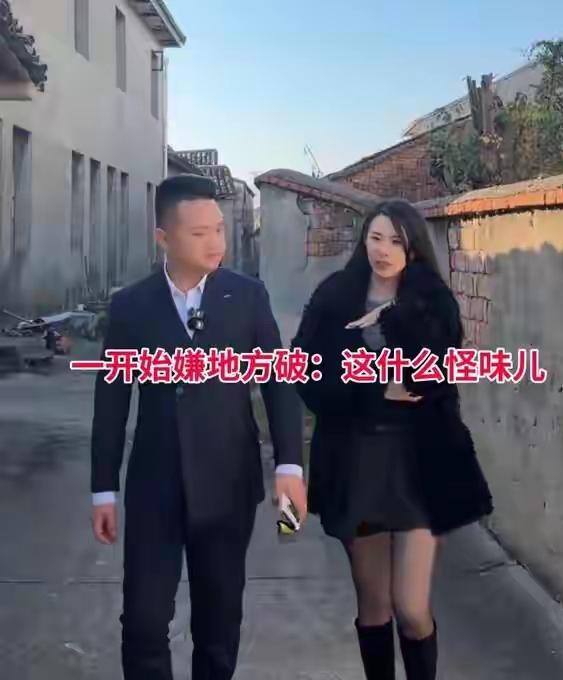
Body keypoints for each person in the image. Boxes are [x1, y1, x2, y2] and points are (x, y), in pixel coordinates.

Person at [90, 173, 307, 680]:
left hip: (228, 483)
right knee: (143, 622)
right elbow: (112, 401)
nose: (215, 243)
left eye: (219, 229)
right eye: (199, 233)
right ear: (163, 237)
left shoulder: (247, 297)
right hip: (155, 488)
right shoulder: (131, 307)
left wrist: (290, 467)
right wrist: (103, 489)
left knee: (218, 621)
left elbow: (278, 383)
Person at [291, 199, 493, 680]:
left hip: (419, 465)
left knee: (411, 606)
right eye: (376, 238)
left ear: (413, 247)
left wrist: (396, 329)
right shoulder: (335, 297)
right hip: (357, 460)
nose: (383, 250)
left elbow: (438, 373)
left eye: (396, 241)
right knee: (374, 604)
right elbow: (306, 371)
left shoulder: (432, 301)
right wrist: (375, 388)